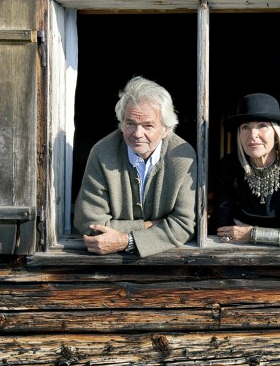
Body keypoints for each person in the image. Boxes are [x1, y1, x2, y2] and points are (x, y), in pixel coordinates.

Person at [73, 76, 197, 257]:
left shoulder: (183, 156)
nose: (138, 134)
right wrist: (149, 225)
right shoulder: (102, 152)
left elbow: (185, 225)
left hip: (169, 264)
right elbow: (89, 223)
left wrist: (126, 240)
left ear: (165, 129)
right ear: (122, 123)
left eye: (148, 125)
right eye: (130, 123)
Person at [212, 93, 280, 247]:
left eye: (262, 125)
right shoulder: (229, 167)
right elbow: (223, 228)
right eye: (245, 127)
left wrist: (251, 233)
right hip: (234, 252)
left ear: (277, 134)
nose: (252, 134)